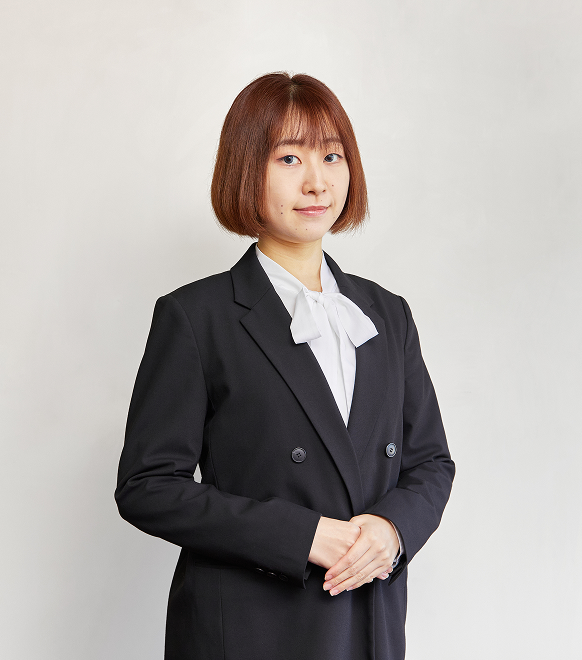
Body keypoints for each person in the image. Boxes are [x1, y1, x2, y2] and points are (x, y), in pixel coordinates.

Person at [115, 72, 455, 660]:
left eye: (332, 156)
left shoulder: (386, 313)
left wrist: (392, 530)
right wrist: (300, 535)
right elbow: (147, 487)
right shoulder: (197, 316)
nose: (317, 181)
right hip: (251, 628)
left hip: (367, 620)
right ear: (247, 168)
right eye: (290, 158)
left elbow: (430, 461)